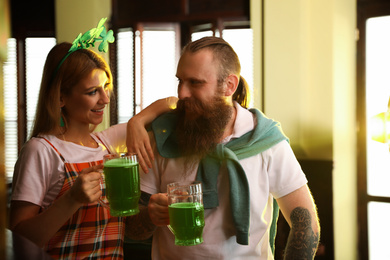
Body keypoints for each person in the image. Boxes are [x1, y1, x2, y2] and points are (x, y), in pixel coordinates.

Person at [126, 36, 320, 259]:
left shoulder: (266, 142)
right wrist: (149, 216)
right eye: (180, 81)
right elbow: (133, 228)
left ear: (229, 85)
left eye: (195, 82)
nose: (182, 93)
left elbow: (305, 224)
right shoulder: (162, 138)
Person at [8, 18, 177, 259]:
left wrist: (137, 121)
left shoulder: (107, 143)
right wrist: (72, 199)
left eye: (105, 87)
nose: (105, 100)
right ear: (60, 97)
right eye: (92, 92)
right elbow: (20, 240)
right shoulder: (41, 150)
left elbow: (174, 105)